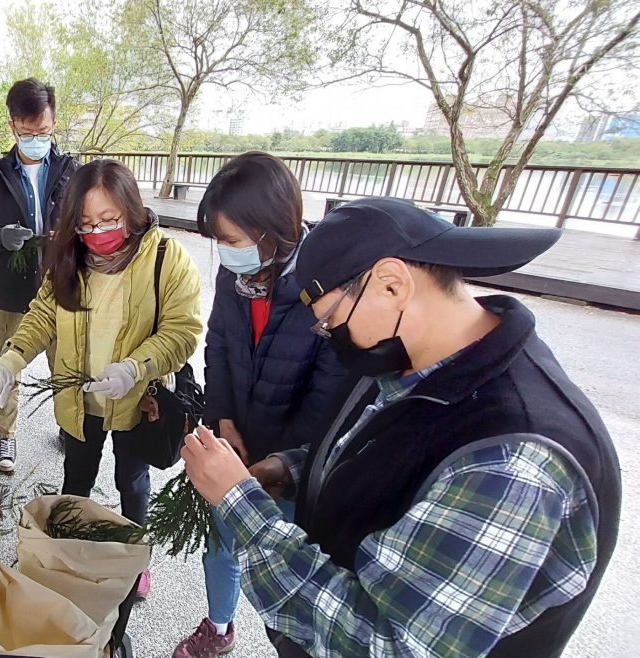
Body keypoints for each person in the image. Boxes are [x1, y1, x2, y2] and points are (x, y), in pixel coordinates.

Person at [182, 197, 621, 658]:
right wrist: (291, 468)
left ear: (391, 285)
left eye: (331, 321)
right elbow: (381, 452)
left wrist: (241, 506)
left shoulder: (513, 459)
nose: (334, 340)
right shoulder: (410, 361)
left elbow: (384, 643)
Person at [0, 159, 203, 599]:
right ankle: (65, 548)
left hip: (138, 400)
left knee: (132, 481)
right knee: (76, 476)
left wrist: (135, 368)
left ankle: (134, 557)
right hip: (79, 399)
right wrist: (11, 360)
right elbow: (42, 315)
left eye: (109, 219)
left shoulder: (165, 258)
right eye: (85, 223)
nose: (98, 232)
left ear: (133, 210)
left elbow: (183, 331)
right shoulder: (69, 257)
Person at [172, 153, 351, 658]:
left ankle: (290, 644)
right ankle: (219, 624)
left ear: (271, 231)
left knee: (291, 562)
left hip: (293, 460)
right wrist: (223, 418)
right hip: (238, 440)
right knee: (224, 544)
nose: (225, 255)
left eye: (231, 241)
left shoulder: (324, 288)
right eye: (219, 242)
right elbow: (220, 347)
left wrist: (279, 462)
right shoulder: (236, 281)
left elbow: (330, 392)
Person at [0, 78, 80, 475]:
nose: (37, 139)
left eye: (44, 132)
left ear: (54, 123)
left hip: (61, 291)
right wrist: (0, 237)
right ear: (13, 124)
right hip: (12, 295)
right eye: (28, 132)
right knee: (8, 367)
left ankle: (69, 427)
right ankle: (6, 436)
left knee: (66, 368)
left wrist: (66, 239)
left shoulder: (71, 172)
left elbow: (90, 224)